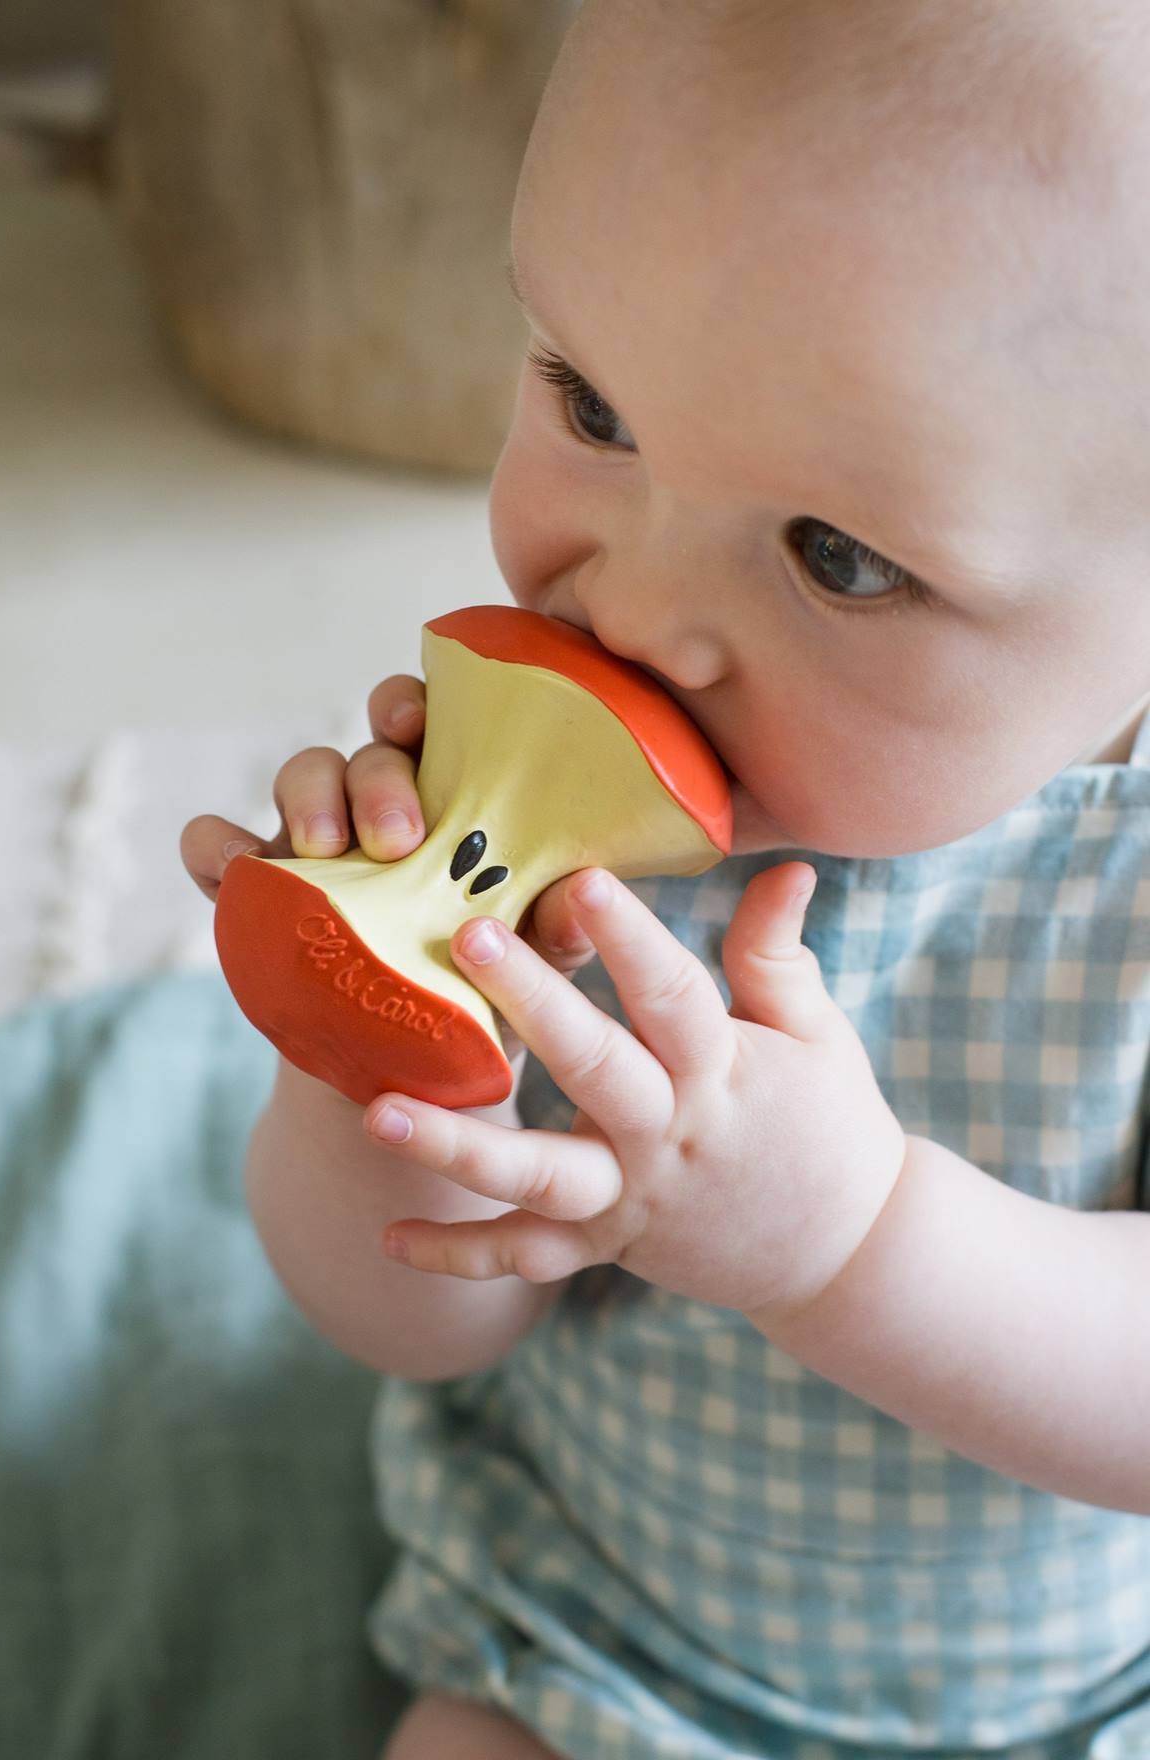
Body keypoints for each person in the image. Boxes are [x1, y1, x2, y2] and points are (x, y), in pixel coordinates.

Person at [180, 0, 1150, 1752]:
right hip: (596, 1646)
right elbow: (416, 1324)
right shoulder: (526, 841)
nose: (626, 615)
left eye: (839, 556)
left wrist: (848, 1244)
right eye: (593, 403)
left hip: (1079, 1702)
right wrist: (373, 1071)